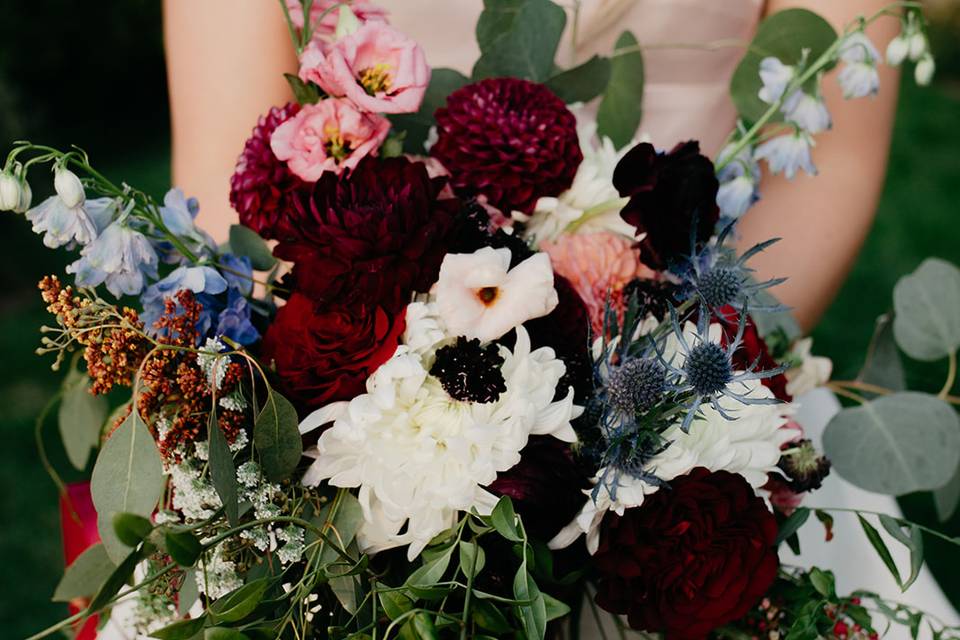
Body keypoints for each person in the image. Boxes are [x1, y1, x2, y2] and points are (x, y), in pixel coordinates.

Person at [162, 1, 956, 637]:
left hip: (689, 355)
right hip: (362, 388)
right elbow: (227, 184)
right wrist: (391, 384)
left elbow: (832, 161)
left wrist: (666, 369)